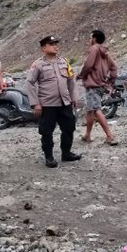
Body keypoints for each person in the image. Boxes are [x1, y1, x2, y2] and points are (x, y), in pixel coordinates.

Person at [26, 36, 82, 168]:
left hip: (64, 103)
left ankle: (66, 153)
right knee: (47, 131)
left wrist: (74, 96)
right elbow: (29, 83)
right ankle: (49, 157)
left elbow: (71, 80)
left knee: (69, 128)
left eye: (56, 43)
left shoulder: (64, 62)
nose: (55, 46)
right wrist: (35, 104)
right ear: (44, 48)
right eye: (51, 44)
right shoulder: (38, 64)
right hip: (47, 104)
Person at [78, 30, 118, 146]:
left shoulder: (94, 48)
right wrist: (111, 80)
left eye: (90, 37)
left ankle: (110, 136)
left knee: (96, 110)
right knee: (90, 110)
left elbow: (89, 65)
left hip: (92, 85)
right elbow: (114, 67)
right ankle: (87, 135)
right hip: (101, 85)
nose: (89, 40)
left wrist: (81, 75)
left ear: (94, 39)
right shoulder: (105, 52)